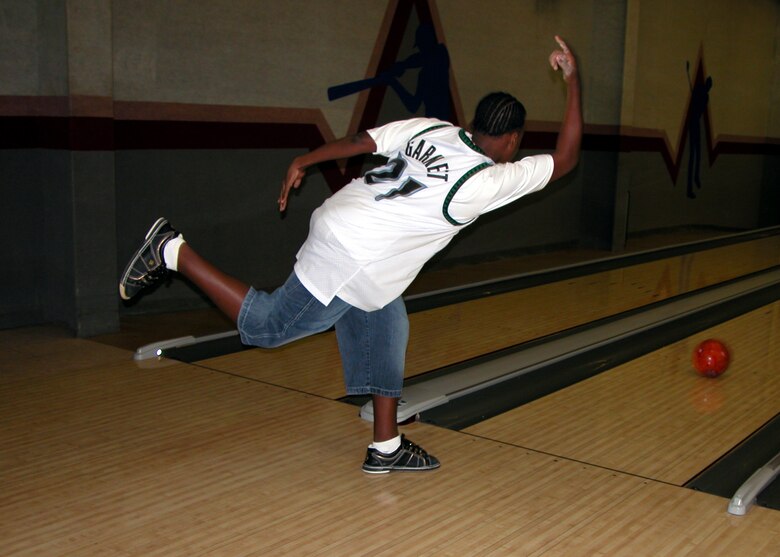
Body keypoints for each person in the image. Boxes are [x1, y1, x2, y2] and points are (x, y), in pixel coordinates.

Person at [119, 36, 581, 474]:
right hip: (353, 253)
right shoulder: (485, 182)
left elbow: (363, 142)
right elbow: (565, 159)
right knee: (268, 326)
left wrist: (306, 159)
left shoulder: (433, 127)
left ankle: (386, 447)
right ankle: (172, 251)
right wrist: (573, 81)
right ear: (513, 140)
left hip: (345, 223)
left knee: (388, 321)